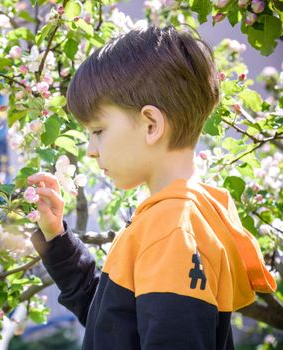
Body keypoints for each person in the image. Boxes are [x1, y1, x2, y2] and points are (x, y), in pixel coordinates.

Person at [27, 25, 276, 350]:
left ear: (151, 125)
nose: (90, 149)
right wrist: (56, 238)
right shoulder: (179, 218)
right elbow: (110, 323)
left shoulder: (172, 231)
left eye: (98, 130)